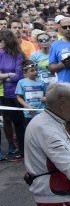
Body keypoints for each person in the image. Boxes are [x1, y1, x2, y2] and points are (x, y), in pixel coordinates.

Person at [0, 28, 25, 160]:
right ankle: (18, 149)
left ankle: (24, 149)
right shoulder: (0, 54)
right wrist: (9, 75)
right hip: (7, 94)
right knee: (12, 122)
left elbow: (19, 76)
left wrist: (4, 76)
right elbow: (13, 75)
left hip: (18, 93)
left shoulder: (18, 54)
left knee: (21, 123)